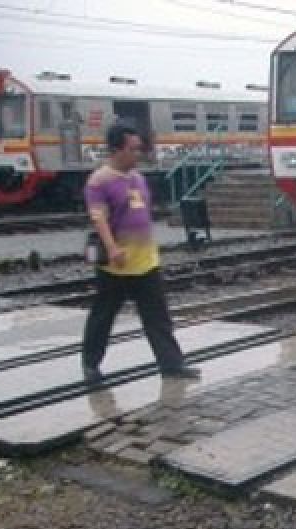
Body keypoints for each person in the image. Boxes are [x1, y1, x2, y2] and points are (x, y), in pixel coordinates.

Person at [82, 123, 200, 382]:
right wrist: (112, 247)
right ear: (116, 150)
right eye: (133, 149)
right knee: (103, 314)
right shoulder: (99, 181)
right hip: (117, 263)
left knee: (158, 316)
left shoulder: (137, 177)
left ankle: (172, 365)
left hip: (146, 260)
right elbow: (98, 217)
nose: (139, 154)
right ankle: (91, 364)